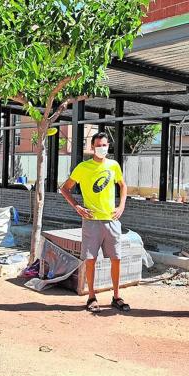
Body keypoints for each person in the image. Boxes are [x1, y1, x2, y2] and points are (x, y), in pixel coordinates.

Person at [60, 132, 129, 313]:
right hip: (91, 221)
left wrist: (121, 206)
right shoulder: (83, 167)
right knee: (90, 259)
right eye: (98, 145)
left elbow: (122, 185)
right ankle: (91, 296)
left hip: (111, 220)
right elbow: (65, 188)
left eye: (105, 145)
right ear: (92, 147)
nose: (102, 148)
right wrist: (77, 207)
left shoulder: (113, 166)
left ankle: (116, 296)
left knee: (116, 259)